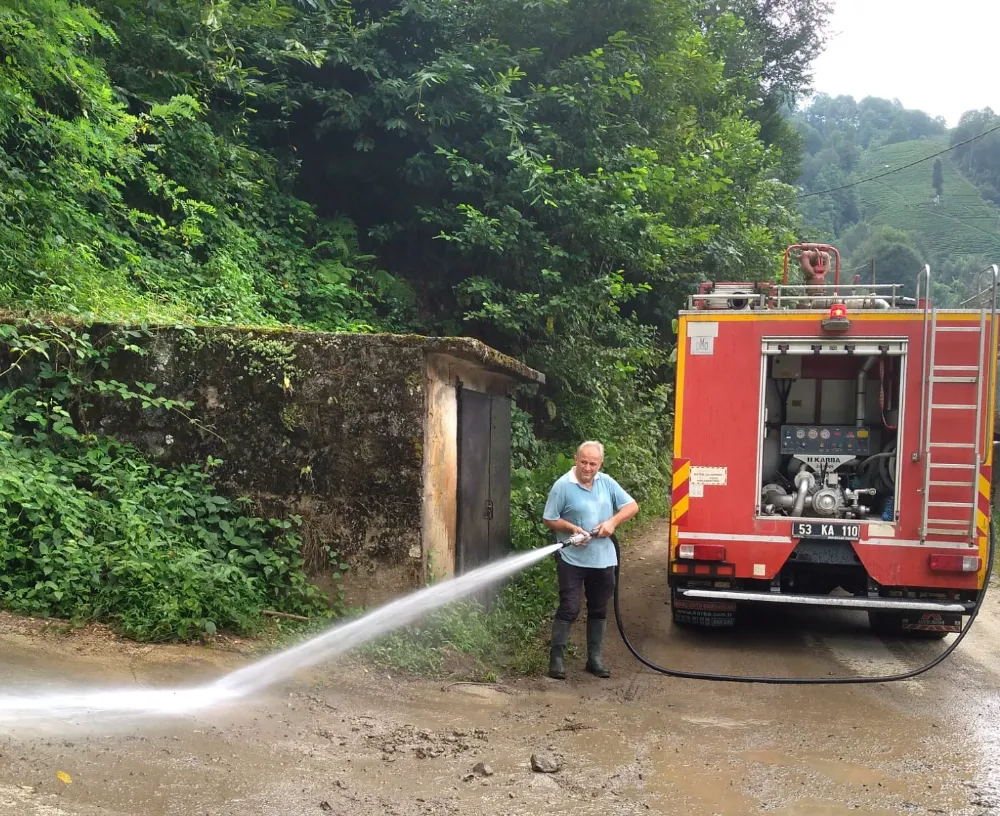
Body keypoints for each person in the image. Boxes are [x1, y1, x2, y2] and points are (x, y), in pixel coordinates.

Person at [541, 441, 639, 680]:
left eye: (592, 463)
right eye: (583, 461)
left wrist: (611, 523)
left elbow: (632, 506)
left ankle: (594, 659)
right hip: (572, 559)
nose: (587, 467)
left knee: (598, 607)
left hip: (603, 559)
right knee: (570, 607)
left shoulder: (607, 483)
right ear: (575, 458)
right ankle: (557, 659)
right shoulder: (563, 486)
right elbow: (549, 518)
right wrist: (571, 528)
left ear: (600, 464)